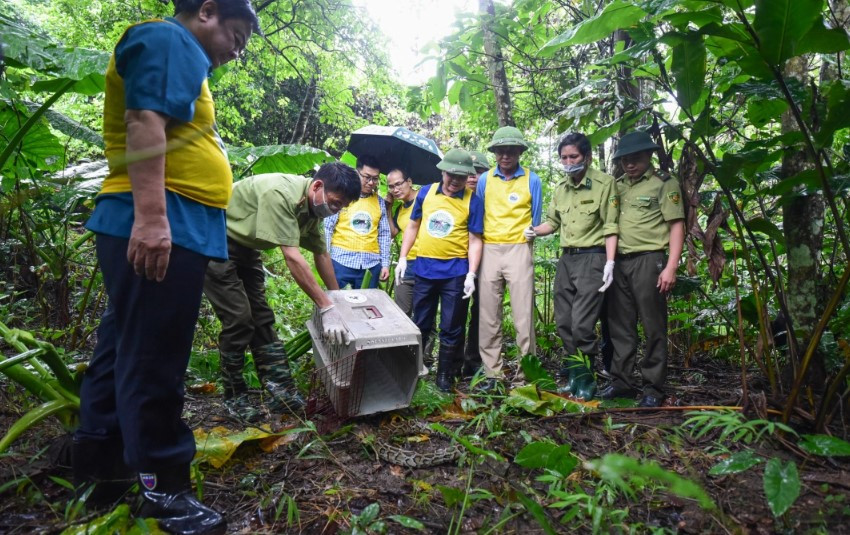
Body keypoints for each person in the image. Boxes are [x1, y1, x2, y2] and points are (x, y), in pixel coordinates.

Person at [73, 1, 259, 532]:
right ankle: (163, 486)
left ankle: (99, 466)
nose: (237, 51)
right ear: (206, 11)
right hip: (160, 217)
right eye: (237, 35)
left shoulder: (183, 57)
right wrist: (153, 219)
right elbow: (144, 119)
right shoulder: (166, 39)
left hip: (172, 219)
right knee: (157, 354)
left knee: (123, 346)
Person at [203, 164, 360, 421]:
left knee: (262, 319)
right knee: (239, 319)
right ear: (318, 186)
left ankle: (281, 392)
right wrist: (326, 307)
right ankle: (235, 397)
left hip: (247, 248)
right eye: (334, 203)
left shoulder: (311, 208)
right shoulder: (281, 193)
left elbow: (320, 253)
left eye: (341, 207)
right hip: (216, 241)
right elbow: (292, 257)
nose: (334, 210)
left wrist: (336, 298)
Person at [526, 133, 618, 400]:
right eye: (564, 157)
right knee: (564, 322)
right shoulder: (561, 189)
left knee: (582, 324)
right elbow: (552, 223)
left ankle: (587, 379)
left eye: (573, 157)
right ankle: (575, 376)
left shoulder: (604, 184)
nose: (568, 162)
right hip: (567, 258)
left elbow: (611, 226)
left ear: (586, 157)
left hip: (594, 257)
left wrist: (610, 261)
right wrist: (533, 230)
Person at [602, 131, 685, 408]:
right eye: (625, 159)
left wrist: (671, 266)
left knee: (653, 326)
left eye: (635, 158)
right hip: (619, 262)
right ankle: (622, 382)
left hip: (650, 260)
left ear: (648, 156)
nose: (630, 164)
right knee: (620, 326)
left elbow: (676, 225)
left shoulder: (664, 183)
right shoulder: (617, 185)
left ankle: (653, 387)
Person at [395, 149, 484, 392]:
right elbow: (413, 226)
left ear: (468, 177)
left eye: (461, 176)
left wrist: (471, 274)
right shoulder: (426, 193)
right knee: (421, 322)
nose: (455, 181)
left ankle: (444, 375)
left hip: (455, 273)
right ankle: (414, 369)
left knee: (451, 326)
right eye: (451, 175)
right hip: (424, 269)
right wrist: (403, 257)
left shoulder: (471, 200)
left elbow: (475, 239)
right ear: (443, 171)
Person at [476, 127, 542, 389]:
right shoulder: (485, 180)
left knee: (523, 315)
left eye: (511, 150)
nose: (506, 155)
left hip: (519, 247)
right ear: (494, 153)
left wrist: (528, 239)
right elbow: (479, 215)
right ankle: (493, 375)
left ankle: (526, 375)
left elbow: (535, 218)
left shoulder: (531, 179)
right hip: (490, 247)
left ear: (519, 152)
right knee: (489, 314)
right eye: (501, 151)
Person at [324, 155, 390, 289]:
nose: (371, 182)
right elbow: (328, 227)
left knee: (365, 306)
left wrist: (385, 264)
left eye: (375, 178)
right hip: (341, 261)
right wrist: (326, 258)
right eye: (367, 177)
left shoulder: (379, 202)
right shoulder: (342, 196)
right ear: (357, 173)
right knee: (339, 304)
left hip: (370, 265)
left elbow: (384, 234)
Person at [460, 150, 490, 378]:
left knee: (482, 312)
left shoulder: (492, 198)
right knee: (456, 313)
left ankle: (473, 361)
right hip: (456, 262)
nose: (473, 177)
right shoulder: (452, 196)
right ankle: (451, 361)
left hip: (487, 261)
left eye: (479, 172)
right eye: (469, 173)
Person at [385, 168, 419, 315]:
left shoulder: (424, 199)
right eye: (391, 186)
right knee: (401, 313)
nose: (395, 189)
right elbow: (392, 233)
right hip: (406, 264)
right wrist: (388, 208)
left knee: (424, 314)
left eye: (399, 184)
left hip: (426, 262)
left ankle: (426, 339)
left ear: (409, 182)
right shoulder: (400, 209)